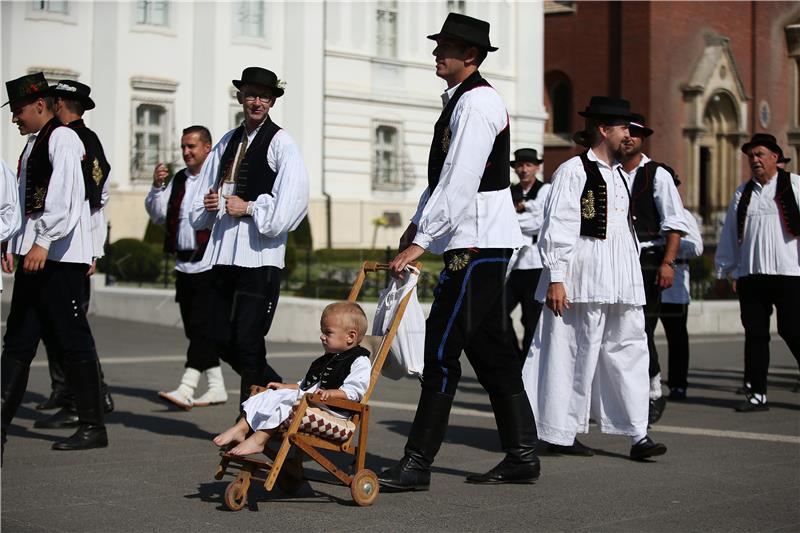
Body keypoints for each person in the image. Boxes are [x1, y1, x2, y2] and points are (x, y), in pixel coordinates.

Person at [378, 13, 539, 491]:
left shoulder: (477, 103)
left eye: (444, 46)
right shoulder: (460, 102)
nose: (435, 53)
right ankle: (523, 455)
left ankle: (418, 463)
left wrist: (422, 241)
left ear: (470, 55)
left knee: (441, 349)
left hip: (477, 240)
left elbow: (461, 181)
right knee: (492, 354)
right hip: (474, 240)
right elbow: (442, 181)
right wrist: (414, 229)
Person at [523, 96, 667, 462]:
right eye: (624, 129)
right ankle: (559, 430)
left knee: (629, 349)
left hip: (619, 279)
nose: (629, 136)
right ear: (604, 130)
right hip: (582, 278)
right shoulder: (574, 170)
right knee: (572, 353)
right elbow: (559, 226)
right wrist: (557, 276)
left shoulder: (619, 175)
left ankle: (638, 433)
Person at [191, 67, 309, 408]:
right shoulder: (227, 142)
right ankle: (282, 394)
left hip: (258, 257)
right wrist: (211, 204)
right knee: (214, 335)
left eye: (263, 96)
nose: (256, 102)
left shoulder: (281, 143)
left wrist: (251, 208)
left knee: (247, 341)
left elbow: (291, 208)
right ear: (240, 97)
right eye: (250, 95)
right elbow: (202, 199)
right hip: (223, 255)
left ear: (272, 101)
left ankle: (250, 417)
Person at [1, 72, 107, 455]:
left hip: (60, 257)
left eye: (18, 110)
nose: (15, 118)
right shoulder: (35, 143)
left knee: (72, 340)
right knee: (18, 341)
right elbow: (25, 203)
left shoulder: (63, 137)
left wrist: (42, 241)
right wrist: (14, 242)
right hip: (39, 254)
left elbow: (66, 195)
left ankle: (93, 425)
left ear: (40, 105)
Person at [33, 80, 115, 429]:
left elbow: (94, 198)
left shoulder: (78, 139)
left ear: (61, 103)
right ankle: (68, 393)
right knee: (56, 327)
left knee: (72, 329)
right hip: (64, 247)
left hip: (71, 249)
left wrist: (91, 247)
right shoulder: (65, 137)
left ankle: (90, 397)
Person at [212, 301, 370, 456]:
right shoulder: (327, 359)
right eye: (322, 332)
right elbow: (307, 387)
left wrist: (333, 393)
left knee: (290, 402)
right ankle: (241, 427)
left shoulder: (359, 360)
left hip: (334, 412)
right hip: (314, 402)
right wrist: (286, 386)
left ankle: (259, 440)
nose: (322, 337)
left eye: (327, 332)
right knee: (267, 394)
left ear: (351, 337)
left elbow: (355, 391)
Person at [715, 133, 800, 412]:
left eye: (760, 154)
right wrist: (730, 269)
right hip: (751, 275)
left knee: (792, 329)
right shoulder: (743, 193)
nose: (755, 160)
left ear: (776, 157)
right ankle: (756, 393)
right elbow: (730, 233)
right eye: (751, 155)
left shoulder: (795, 186)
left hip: (789, 273)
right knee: (755, 335)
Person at [145, 126, 228, 409]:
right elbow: (158, 216)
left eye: (192, 146)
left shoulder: (217, 180)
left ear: (207, 147)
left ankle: (187, 386)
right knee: (194, 330)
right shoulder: (179, 179)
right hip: (184, 265)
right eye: (183, 147)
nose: (186, 152)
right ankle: (216, 387)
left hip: (209, 264)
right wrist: (157, 187)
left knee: (204, 328)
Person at [618, 113, 690, 424]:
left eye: (634, 134)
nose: (628, 138)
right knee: (619, 329)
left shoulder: (657, 174)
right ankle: (622, 393)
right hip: (619, 259)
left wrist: (667, 262)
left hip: (649, 258)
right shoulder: (611, 172)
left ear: (642, 138)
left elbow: (674, 222)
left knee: (642, 329)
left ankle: (652, 391)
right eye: (625, 133)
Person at [506, 148, 550, 360]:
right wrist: (523, 214)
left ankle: (528, 363)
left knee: (531, 318)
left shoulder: (545, 190)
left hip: (535, 264)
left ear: (537, 167)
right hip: (513, 265)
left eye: (528, 165)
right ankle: (514, 358)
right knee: (498, 312)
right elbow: (500, 220)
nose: (524, 170)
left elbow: (539, 223)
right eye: (520, 165)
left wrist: (516, 218)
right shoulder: (509, 192)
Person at [659, 209, 703, 400]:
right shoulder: (644, 210)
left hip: (675, 287)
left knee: (677, 338)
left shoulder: (684, 215)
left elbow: (696, 248)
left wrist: (671, 244)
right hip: (647, 282)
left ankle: (678, 384)